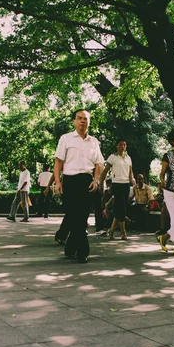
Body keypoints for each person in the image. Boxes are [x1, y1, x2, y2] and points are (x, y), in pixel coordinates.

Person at [54, 109, 104, 263]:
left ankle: (81, 251)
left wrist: (96, 180)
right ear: (74, 121)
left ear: (89, 122)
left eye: (85, 119)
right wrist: (57, 182)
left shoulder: (94, 141)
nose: (82, 121)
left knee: (82, 217)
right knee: (73, 215)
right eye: (79, 118)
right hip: (70, 181)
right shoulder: (66, 139)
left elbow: (99, 163)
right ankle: (73, 247)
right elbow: (58, 162)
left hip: (86, 181)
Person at [100, 139, 135, 240]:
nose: (122, 146)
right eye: (120, 145)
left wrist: (132, 179)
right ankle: (123, 233)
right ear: (117, 146)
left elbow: (130, 171)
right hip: (116, 184)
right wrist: (101, 183)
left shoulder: (128, 158)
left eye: (124, 144)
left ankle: (111, 231)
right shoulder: (112, 157)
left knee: (121, 209)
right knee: (122, 208)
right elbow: (105, 170)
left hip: (126, 184)